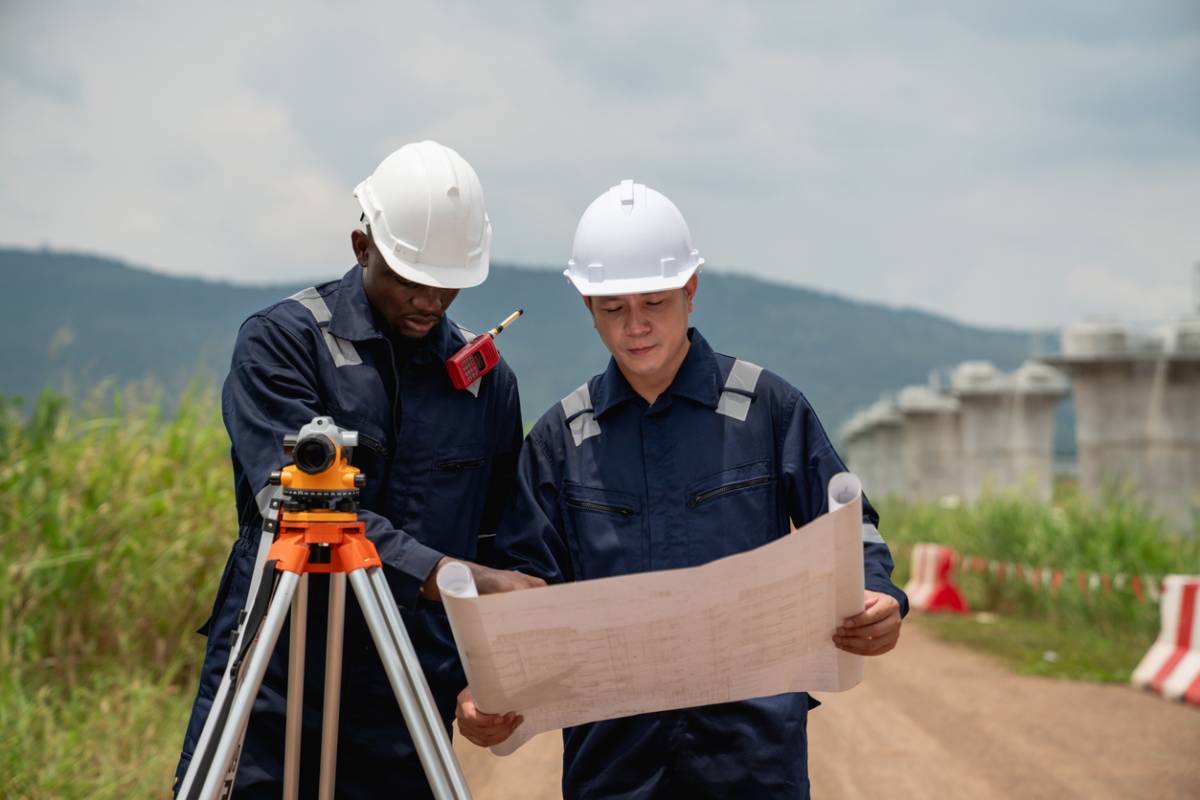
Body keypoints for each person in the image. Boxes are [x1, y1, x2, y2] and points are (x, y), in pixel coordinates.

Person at [455, 180, 907, 798]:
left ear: (690, 292)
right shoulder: (560, 440)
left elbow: (850, 526)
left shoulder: (766, 410)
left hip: (751, 759)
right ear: (587, 303)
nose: (635, 327)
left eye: (655, 303)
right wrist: (488, 686)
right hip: (613, 763)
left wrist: (880, 594)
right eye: (613, 309)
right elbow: (523, 584)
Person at [174, 140, 542, 799]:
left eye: (448, 281)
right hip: (274, 689)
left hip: (410, 701)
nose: (430, 300)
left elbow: (501, 540)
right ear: (361, 245)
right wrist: (453, 577)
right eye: (410, 277)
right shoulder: (282, 344)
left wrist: (488, 676)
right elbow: (304, 509)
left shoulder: (487, 386)